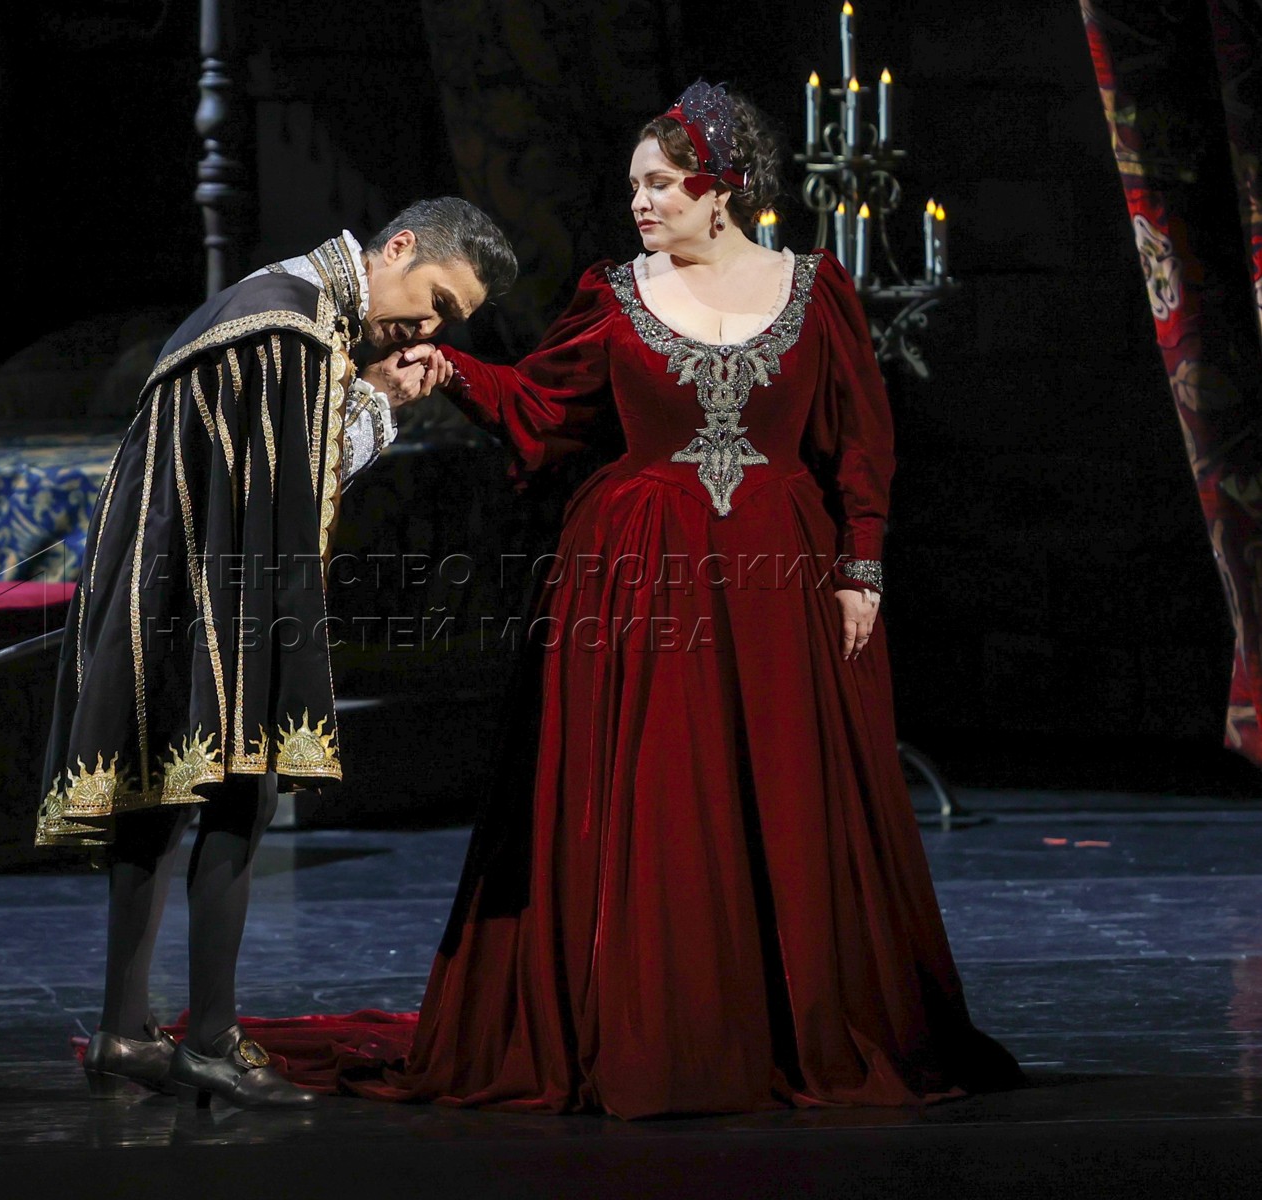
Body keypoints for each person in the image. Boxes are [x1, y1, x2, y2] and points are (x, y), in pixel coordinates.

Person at [257, 82, 1022, 1117]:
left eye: (658, 184)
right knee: (657, 791)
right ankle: (654, 1023)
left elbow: (861, 444)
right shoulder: (615, 296)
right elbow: (542, 403)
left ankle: (788, 1020)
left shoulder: (815, 289)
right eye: (633, 186)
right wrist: (456, 371)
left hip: (781, 574)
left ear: (721, 189)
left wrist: (862, 569)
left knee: (783, 789)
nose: (639, 203)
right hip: (637, 573)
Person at [38, 200, 519, 1109]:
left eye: (449, 322)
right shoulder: (289, 328)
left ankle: (123, 1030)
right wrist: (381, 403)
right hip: (219, 595)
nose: (429, 329)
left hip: (169, 582)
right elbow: (297, 486)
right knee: (237, 788)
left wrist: (364, 391)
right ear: (399, 248)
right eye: (436, 303)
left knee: (159, 791)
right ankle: (210, 1041)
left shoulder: (281, 306)